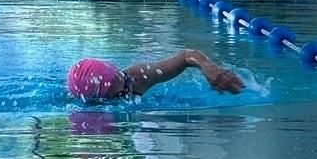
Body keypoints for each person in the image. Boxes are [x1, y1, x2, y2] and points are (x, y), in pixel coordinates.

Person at [66, 49, 245, 102]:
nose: (126, 89)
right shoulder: (89, 113)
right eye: (118, 94)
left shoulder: (137, 77)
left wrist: (209, 67)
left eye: (121, 79)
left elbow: (186, 56)